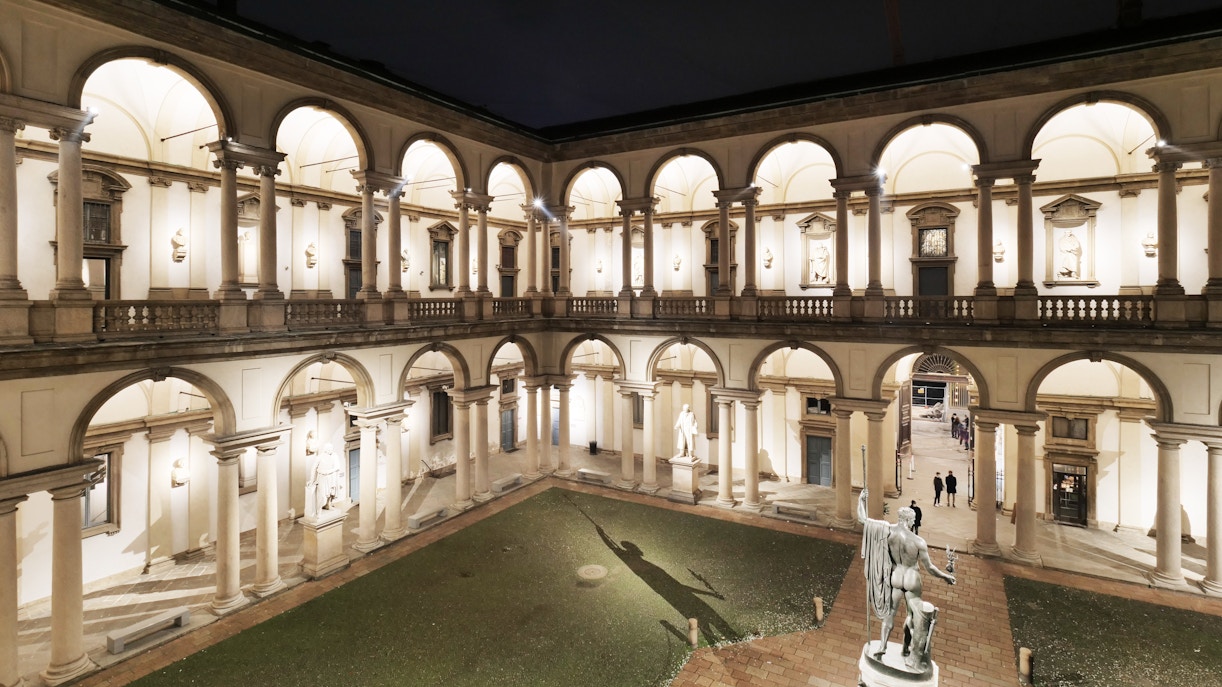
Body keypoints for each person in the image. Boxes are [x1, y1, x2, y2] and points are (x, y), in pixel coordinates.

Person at [858, 488, 955, 669]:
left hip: (896, 578)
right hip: (911, 579)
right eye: (913, 520)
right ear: (908, 520)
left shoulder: (888, 531)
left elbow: (863, 520)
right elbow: (930, 568)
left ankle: (882, 646)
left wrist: (861, 500)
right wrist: (945, 576)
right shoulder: (918, 541)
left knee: (889, 614)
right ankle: (908, 649)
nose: (914, 522)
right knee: (912, 615)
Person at [306, 442, 343, 519]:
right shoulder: (320, 457)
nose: (331, 450)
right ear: (325, 450)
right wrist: (312, 480)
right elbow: (313, 468)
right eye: (329, 449)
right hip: (323, 477)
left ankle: (328, 505)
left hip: (332, 477)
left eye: (332, 449)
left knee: (331, 493)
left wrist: (336, 476)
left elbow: (337, 466)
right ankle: (318, 511)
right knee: (322, 495)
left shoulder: (334, 456)